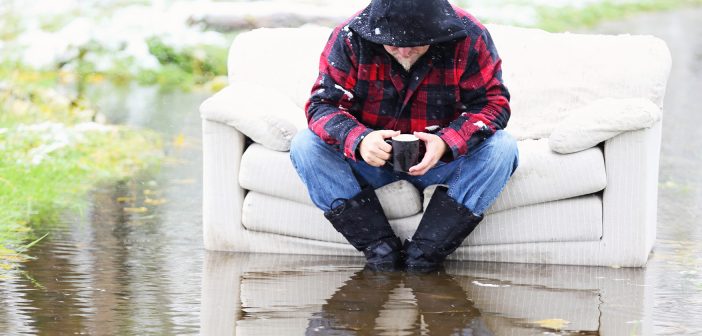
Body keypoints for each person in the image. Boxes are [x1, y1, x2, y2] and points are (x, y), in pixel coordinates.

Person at [290, 0, 518, 271]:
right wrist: (359, 139)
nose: (406, 50)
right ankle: (380, 251)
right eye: (394, 43)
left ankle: (424, 255)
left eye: (417, 42)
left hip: (441, 163)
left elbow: (494, 104)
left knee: (503, 148)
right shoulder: (350, 36)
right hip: (371, 163)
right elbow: (322, 105)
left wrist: (447, 141)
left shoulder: (470, 35)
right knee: (305, 145)